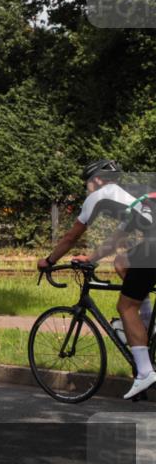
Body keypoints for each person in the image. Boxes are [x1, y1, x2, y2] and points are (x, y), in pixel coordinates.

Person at [37, 159, 156, 398]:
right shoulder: (132, 199)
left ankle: (144, 372)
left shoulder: (98, 196)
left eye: (88, 183)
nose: (88, 188)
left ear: (98, 180)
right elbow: (115, 241)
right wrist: (91, 258)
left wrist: (49, 261)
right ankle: (148, 326)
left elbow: (71, 237)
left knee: (125, 306)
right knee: (122, 262)